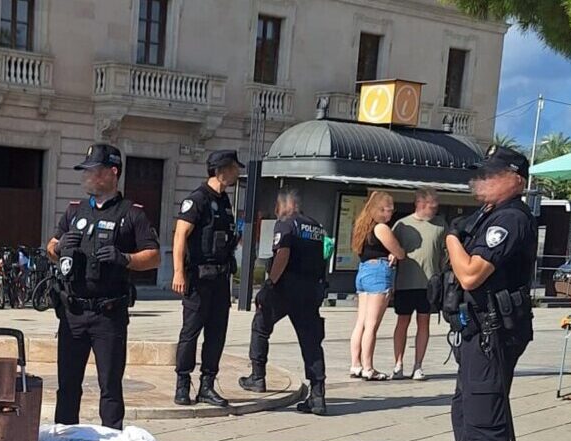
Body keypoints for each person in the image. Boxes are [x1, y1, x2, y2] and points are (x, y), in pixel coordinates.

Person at [427, 146, 537, 441]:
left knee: (486, 423)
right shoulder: (489, 214)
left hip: (494, 332)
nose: (481, 181)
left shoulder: (510, 218)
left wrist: (453, 240)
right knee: (467, 414)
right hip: (477, 328)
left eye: (492, 175)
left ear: (516, 180)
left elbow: (472, 274)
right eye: (481, 174)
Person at [46, 143, 161, 429]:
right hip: (73, 310)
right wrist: (59, 247)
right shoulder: (75, 211)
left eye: (93, 171)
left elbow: (154, 256)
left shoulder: (131, 213)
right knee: (68, 384)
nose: (87, 177)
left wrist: (125, 259)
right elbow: (50, 247)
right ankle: (65, 437)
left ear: (112, 172)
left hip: (108, 314)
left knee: (110, 385)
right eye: (85, 171)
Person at [238, 189, 329, 415]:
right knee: (311, 342)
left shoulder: (287, 224)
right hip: (310, 291)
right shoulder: (316, 226)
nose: (277, 210)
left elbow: (283, 255)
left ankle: (257, 377)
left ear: (287, 205)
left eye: (278, 206)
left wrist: (268, 286)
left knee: (260, 326)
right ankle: (318, 394)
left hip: (286, 288)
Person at [172, 150, 244, 407]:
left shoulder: (224, 201)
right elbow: (180, 235)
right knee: (190, 333)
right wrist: (178, 271)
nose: (238, 173)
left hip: (220, 279)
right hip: (198, 279)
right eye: (235, 168)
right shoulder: (198, 199)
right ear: (222, 169)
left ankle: (207, 385)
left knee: (216, 334)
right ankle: (182, 383)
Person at [348, 191, 406, 381]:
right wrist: (397, 253)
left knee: (361, 323)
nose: (391, 214)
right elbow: (399, 252)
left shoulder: (362, 224)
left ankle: (355, 364)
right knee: (372, 325)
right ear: (380, 209)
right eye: (389, 210)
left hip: (363, 271)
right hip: (378, 273)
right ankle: (368, 367)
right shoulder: (381, 228)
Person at [390, 188, 447, 380]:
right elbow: (391, 248)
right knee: (402, 322)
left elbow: (445, 252)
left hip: (430, 284)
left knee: (424, 322)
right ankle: (398, 364)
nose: (436, 208)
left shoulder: (440, 225)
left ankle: (418, 365)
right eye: (433, 204)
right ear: (421, 204)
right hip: (405, 283)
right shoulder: (402, 225)